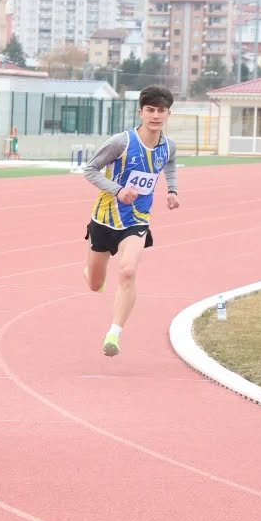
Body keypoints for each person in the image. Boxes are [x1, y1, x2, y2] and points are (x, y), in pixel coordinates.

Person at [80, 84, 180, 357]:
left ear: (168, 114)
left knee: (127, 271)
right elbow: (90, 170)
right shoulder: (121, 142)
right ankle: (91, 274)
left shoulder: (168, 146)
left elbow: (169, 163)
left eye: (161, 111)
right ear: (141, 112)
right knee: (94, 284)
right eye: (150, 110)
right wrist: (118, 190)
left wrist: (172, 190)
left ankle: (115, 332)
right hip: (104, 219)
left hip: (137, 221)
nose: (156, 116)